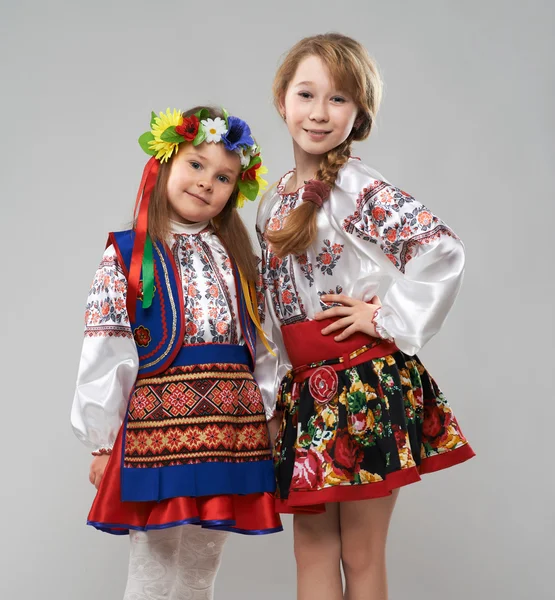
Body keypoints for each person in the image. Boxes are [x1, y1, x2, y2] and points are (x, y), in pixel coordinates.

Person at [256, 34, 475, 600]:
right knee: (311, 546)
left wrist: (386, 317)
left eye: (339, 99)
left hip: (362, 384)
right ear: (282, 99)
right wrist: (272, 395)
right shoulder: (272, 200)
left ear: (359, 115)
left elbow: (441, 252)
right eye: (307, 94)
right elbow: (271, 311)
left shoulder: (356, 186)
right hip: (306, 391)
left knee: (360, 549)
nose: (319, 112)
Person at [71, 106, 281, 600]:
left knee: (201, 568)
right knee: (153, 567)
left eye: (223, 176)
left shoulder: (241, 261)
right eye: (196, 165)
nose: (207, 182)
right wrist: (103, 439)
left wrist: (269, 412)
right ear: (164, 163)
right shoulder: (128, 254)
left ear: (235, 190)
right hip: (159, 430)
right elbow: (108, 346)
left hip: (231, 429)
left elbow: (264, 343)